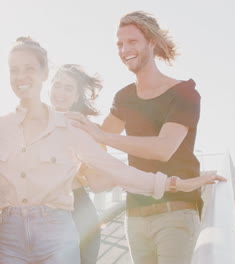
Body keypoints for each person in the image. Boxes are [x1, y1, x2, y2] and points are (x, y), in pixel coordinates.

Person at [0, 36, 224, 264]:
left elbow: (114, 171)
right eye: (13, 70)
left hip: (65, 220)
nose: (21, 76)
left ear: (44, 74)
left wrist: (175, 183)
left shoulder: (75, 128)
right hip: (14, 232)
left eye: (29, 69)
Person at [67, 11, 205, 264]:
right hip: (136, 216)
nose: (124, 49)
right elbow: (95, 143)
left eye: (132, 42)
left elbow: (164, 148)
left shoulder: (184, 93)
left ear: (151, 42)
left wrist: (101, 136)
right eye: (119, 44)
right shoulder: (125, 98)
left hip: (176, 212)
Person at [50, 64, 103, 263]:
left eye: (68, 88)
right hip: (44, 209)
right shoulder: (35, 121)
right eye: (57, 85)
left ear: (76, 96)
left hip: (79, 207)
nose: (61, 93)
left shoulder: (83, 128)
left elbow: (97, 181)